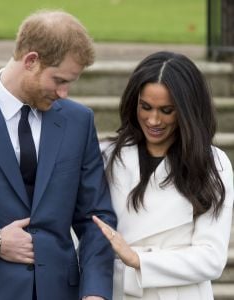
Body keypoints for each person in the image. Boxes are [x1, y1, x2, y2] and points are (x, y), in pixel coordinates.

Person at [0, 10, 117, 300]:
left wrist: (95, 291)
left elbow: (96, 218)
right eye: (58, 80)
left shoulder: (78, 121)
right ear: (31, 61)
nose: (64, 93)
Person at [92, 51, 234, 300]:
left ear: (187, 110)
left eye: (167, 110)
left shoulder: (213, 164)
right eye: (145, 107)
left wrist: (139, 259)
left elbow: (211, 258)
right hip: (116, 292)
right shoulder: (107, 156)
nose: (153, 120)